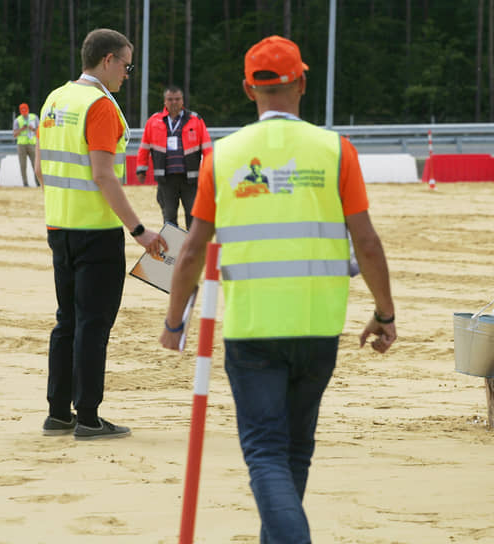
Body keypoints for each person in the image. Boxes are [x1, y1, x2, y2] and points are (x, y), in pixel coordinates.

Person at [159, 35, 396, 543]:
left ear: (249, 89)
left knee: (267, 453)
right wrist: (385, 313)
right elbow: (368, 244)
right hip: (317, 328)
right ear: (303, 83)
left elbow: (191, 251)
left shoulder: (221, 156)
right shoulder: (337, 151)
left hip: (253, 334)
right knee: (294, 452)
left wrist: (174, 322)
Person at [36, 28, 167, 440]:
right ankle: (89, 417)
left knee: (67, 322)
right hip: (97, 232)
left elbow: (42, 172)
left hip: (59, 227)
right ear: (107, 60)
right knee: (94, 325)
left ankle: (59, 413)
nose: (127, 74)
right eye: (126, 65)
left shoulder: (54, 100)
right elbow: (103, 175)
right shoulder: (100, 106)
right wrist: (141, 231)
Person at [136, 84, 212, 230]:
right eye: (170, 99)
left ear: (182, 101)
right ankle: (174, 252)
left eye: (177, 99)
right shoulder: (153, 121)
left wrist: (210, 171)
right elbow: (144, 147)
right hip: (166, 180)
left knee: (194, 215)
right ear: (165, 101)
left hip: (190, 179)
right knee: (169, 217)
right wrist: (141, 169)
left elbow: (207, 148)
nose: (174, 102)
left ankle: (193, 251)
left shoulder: (195, 120)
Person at [12, 103, 39, 187]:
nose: (24, 113)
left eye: (25, 111)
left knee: (35, 164)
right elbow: (14, 134)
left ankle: (38, 182)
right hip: (21, 145)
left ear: (28, 110)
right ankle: (25, 183)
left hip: (32, 144)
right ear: (20, 112)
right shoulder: (17, 120)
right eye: (23, 112)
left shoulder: (34, 118)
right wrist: (21, 129)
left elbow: (39, 131)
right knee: (23, 165)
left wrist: (32, 129)